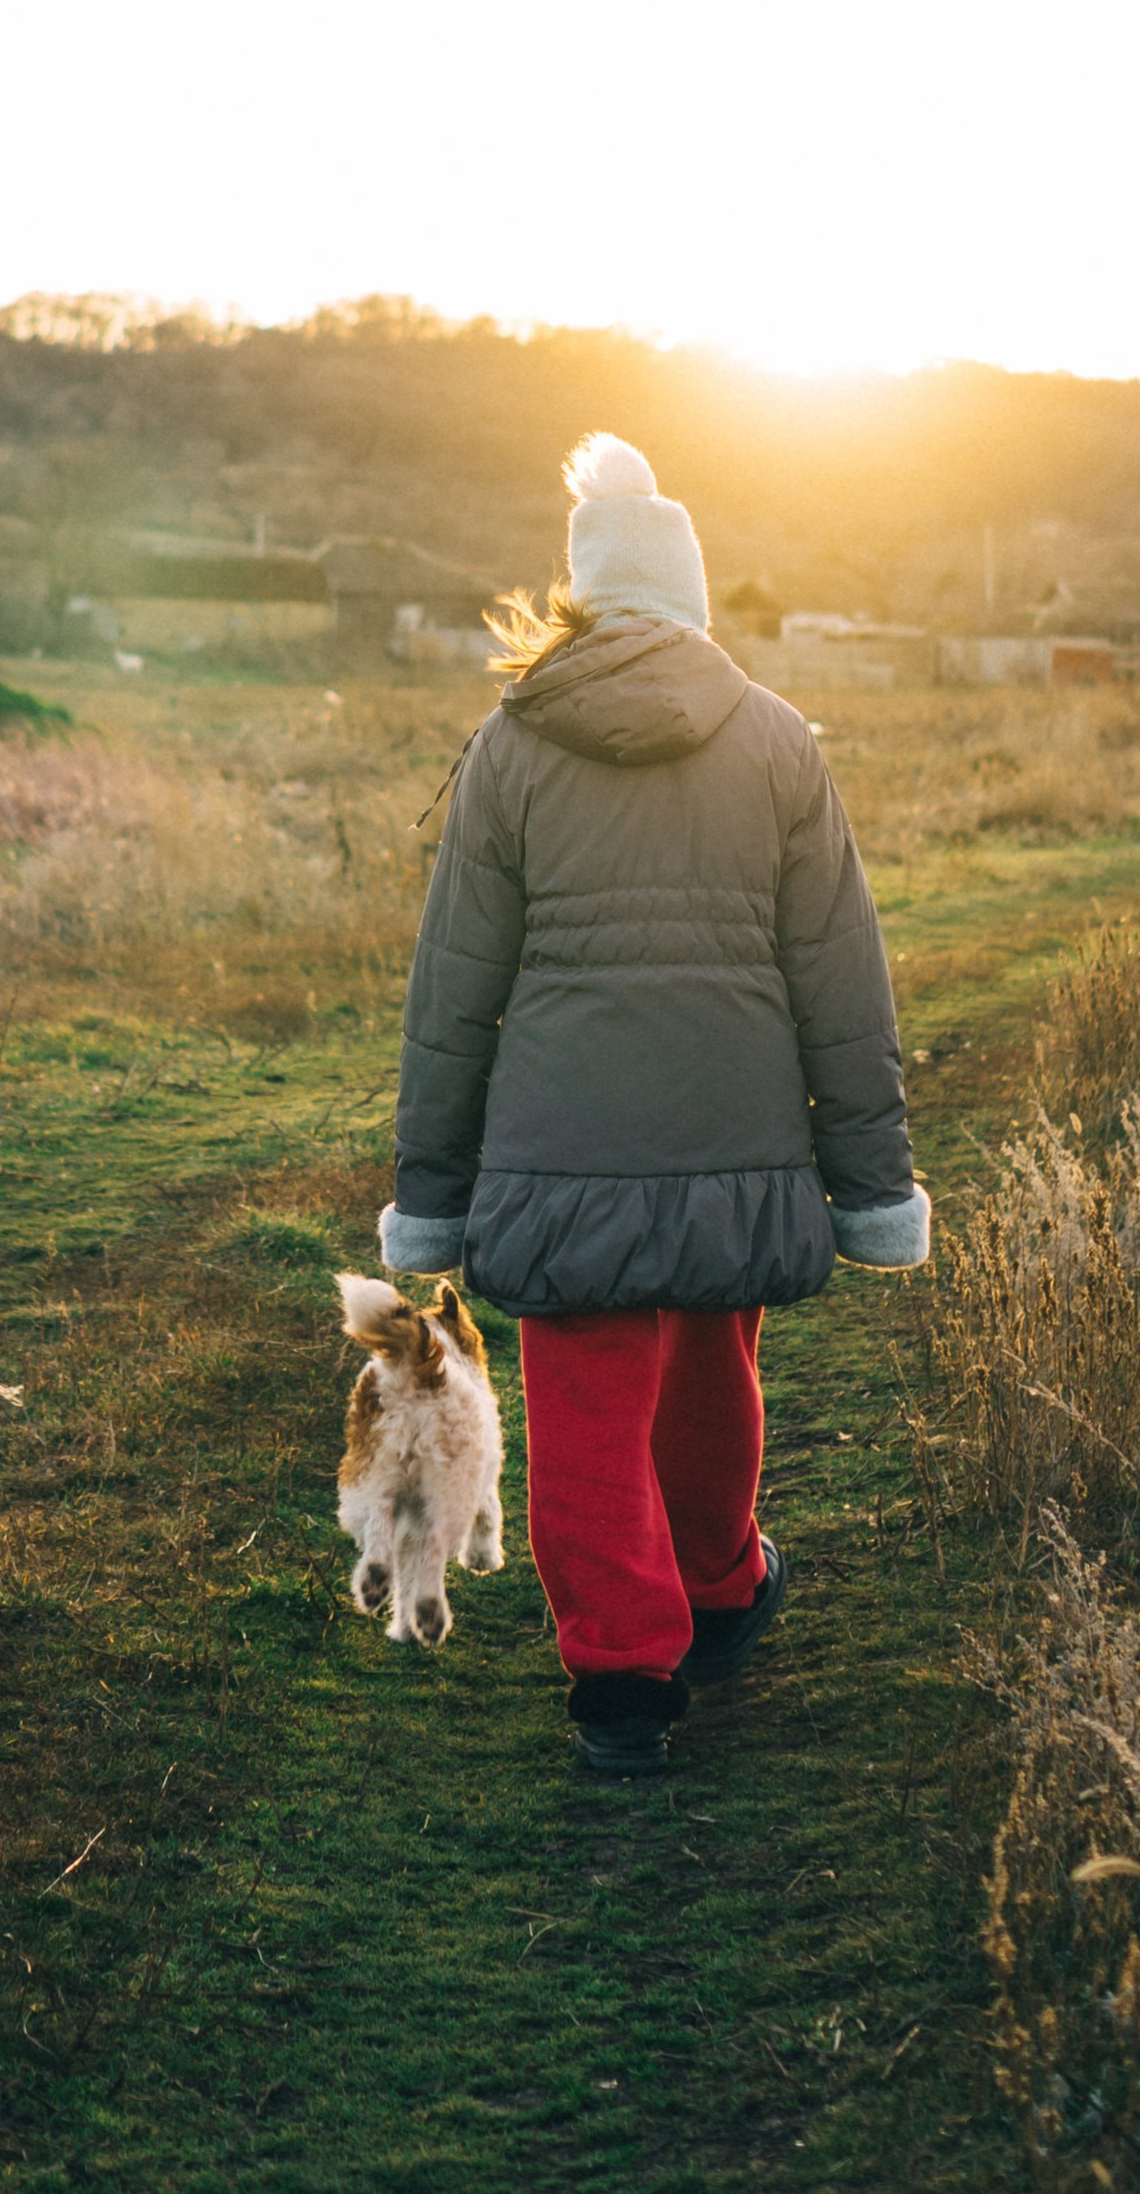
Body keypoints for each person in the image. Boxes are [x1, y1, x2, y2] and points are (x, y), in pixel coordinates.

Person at [380, 432, 930, 1777]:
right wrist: (869, 1184)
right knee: (708, 1375)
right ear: (691, 594)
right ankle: (725, 1585)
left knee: (583, 1405)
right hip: (738, 1139)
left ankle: (623, 1677)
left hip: (558, 1153)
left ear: (576, 593)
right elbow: (842, 983)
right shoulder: (779, 740)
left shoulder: (509, 750)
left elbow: (456, 993)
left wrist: (433, 1196)